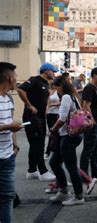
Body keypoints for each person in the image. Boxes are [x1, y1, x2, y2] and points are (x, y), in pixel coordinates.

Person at [48, 75, 85, 206]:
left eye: (55, 87)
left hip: (67, 136)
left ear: (59, 87)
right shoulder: (74, 96)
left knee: (71, 167)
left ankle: (79, 196)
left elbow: (62, 118)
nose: (55, 90)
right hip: (72, 135)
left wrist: (52, 129)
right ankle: (63, 191)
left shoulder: (65, 96)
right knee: (54, 162)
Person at [17, 63, 57, 182]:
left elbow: (44, 99)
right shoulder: (35, 80)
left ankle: (32, 170)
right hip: (32, 117)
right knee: (37, 145)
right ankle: (43, 171)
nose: (54, 73)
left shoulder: (46, 83)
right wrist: (29, 105)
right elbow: (20, 89)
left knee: (37, 143)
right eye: (52, 71)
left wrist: (46, 109)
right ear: (46, 71)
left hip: (40, 118)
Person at [0, 62, 23, 223]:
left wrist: (14, 144)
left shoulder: (8, 99)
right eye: (15, 77)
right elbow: (8, 124)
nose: (16, 80)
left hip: (8, 157)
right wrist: (9, 126)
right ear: (9, 78)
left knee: (8, 197)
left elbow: (10, 122)